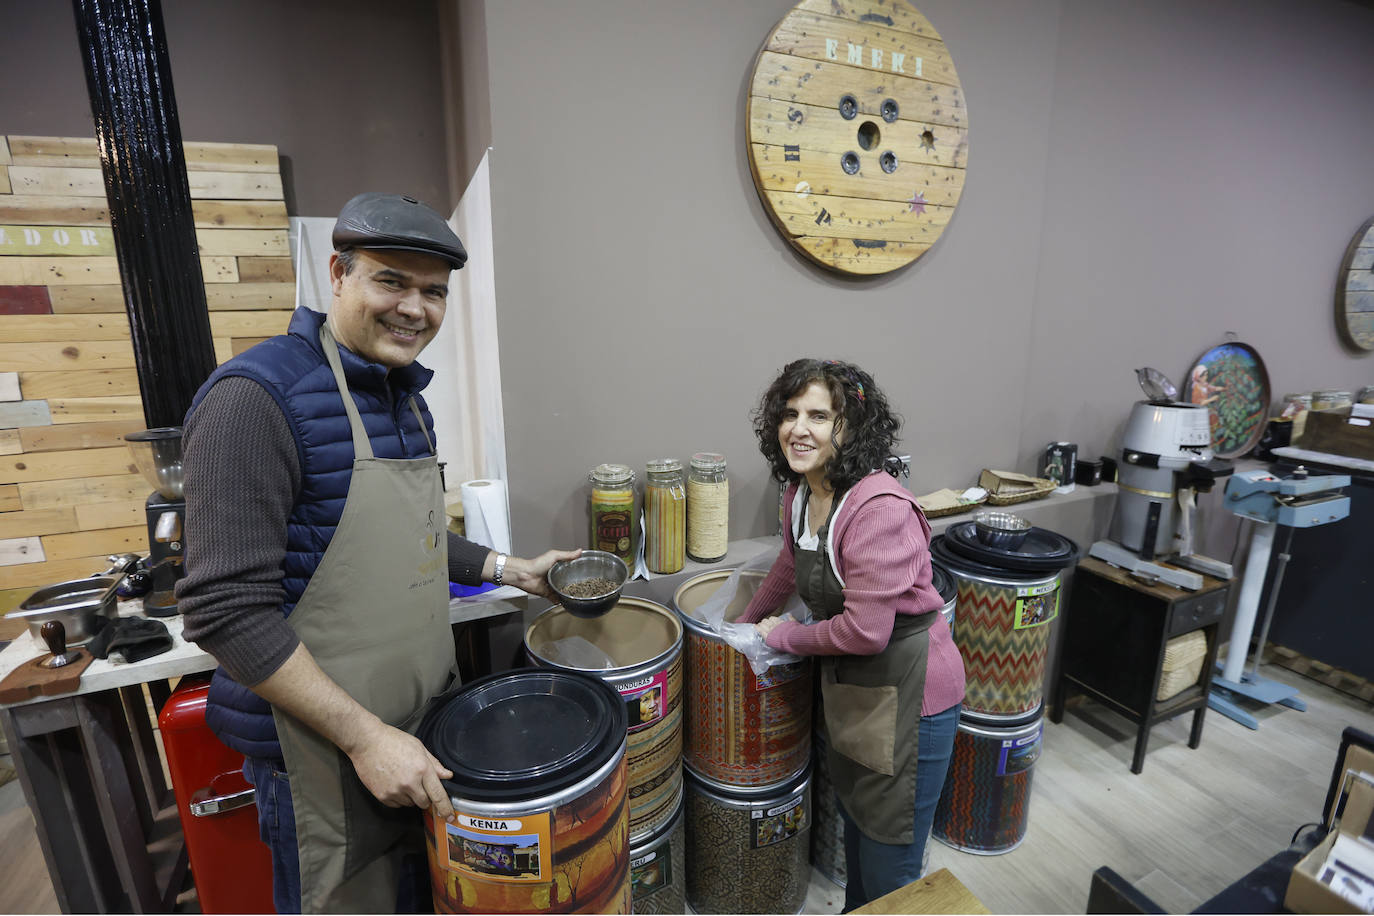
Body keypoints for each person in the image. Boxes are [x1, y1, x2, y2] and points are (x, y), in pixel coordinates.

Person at [177, 193, 580, 913]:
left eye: (434, 292)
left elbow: (403, 534)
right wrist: (365, 739)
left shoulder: (405, 400)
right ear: (338, 274)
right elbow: (225, 610)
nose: (414, 309)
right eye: (391, 281)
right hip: (321, 755)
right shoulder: (254, 399)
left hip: (417, 734)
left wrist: (509, 570)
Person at [738, 358, 965, 911]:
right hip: (859, 695)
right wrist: (739, 628)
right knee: (859, 835)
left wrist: (784, 636)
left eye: (818, 416)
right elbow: (790, 564)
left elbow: (865, 632)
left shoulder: (879, 510)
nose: (798, 429)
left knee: (890, 866)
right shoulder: (803, 492)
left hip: (913, 702)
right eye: (789, 414)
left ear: (851, 427)